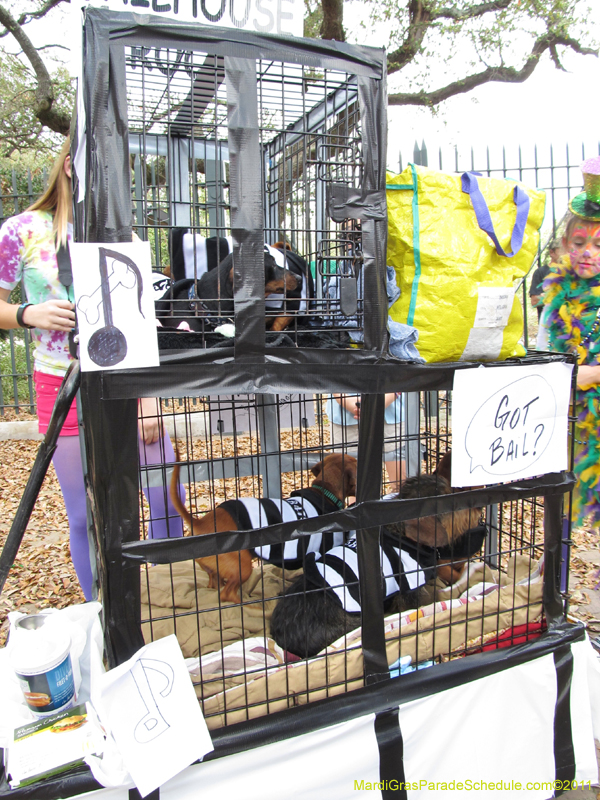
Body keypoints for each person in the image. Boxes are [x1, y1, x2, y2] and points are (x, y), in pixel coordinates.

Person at [0, 138, 184, 601]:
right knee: (83, 515)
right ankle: (100, 611)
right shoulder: (21, 230)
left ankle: (170, 598)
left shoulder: (123, 237)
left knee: (163, 491)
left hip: (126, 381)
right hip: (56, 384)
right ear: (69, 167)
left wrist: (150, 400)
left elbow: (144, 325)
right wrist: (29, 314)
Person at [539, 156, 600, 527]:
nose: (587, 252)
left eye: (597, 245)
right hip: (566, 415)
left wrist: (589, 374)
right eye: (579, 242)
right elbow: (545, 352)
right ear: (564, 244)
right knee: (560, 493)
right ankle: (552, 573)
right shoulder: (555, 298)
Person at [326, 393, 405, 494]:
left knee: (401, 485)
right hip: (346, 416)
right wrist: (354, 404)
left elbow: (398, 378)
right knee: (357, 488)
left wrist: (375, 405)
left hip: (391, 413)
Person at [529, 239, 561, 321]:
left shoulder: (571, 272)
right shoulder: (540, 272)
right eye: (561, 250)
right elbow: (534, 301)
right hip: (547, 324)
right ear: (551, 252)